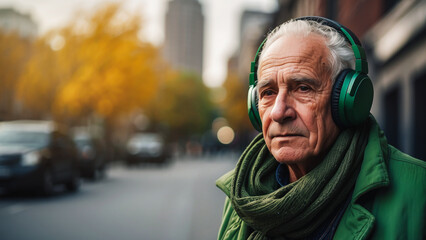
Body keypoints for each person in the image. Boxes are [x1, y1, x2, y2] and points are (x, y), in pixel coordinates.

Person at [216, 16, 425, 240]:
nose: (278, 112)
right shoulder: (241, 193)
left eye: (303, 88)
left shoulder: (418, 192)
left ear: (347, 100)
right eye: (268, 92)